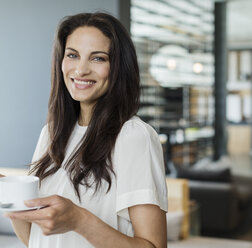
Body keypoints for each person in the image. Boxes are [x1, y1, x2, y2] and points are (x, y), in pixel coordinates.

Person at [4, 12, 168, 248]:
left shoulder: (133, 136)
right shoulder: (51, 133)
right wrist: (11, 200)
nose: (80, 70)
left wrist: (80, 220)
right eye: (72, 55)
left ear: (119, 67)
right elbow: (35, 240)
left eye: (98, 58)